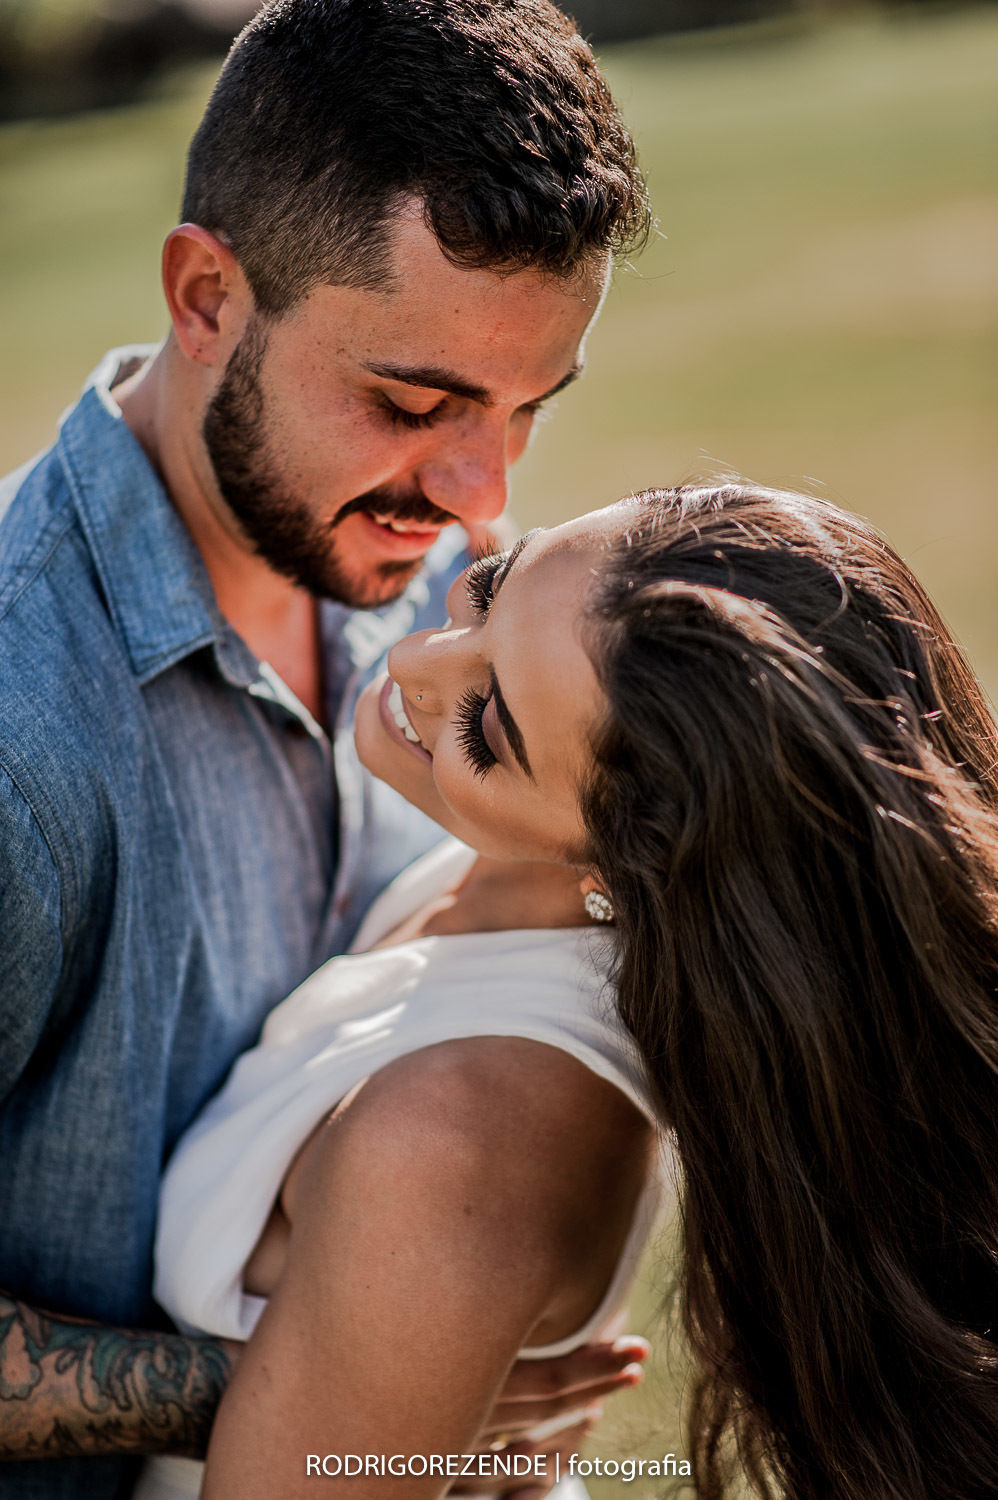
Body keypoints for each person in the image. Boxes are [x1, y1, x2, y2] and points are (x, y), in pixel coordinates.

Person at [0, 2, 651, 1495]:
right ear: (207, 295)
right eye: (414, 404)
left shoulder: (450, 610)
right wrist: (356, 1380)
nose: (482, 498)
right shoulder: (20, 741)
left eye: (524, 409)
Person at [139, 479, 998, 1500]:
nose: (415, 659)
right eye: (493, 591)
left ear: (623, 866)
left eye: (489, 727)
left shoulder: (461, 1134)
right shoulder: (499, 870)